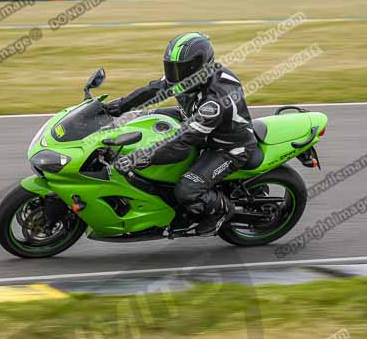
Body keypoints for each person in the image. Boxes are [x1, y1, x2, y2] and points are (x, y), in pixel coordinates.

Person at [103, 32, 257, 236]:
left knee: (186, 189)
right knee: (144, 118)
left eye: (182, 69)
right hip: (195, 122)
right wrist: (117, 107)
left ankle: (221, 210)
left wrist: (140, 157)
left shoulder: (214, 102)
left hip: (227, 146)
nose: (174, 75)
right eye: (172, 68)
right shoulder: (187, 79)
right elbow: (154, 90)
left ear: (200, 68)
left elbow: (182, 143)